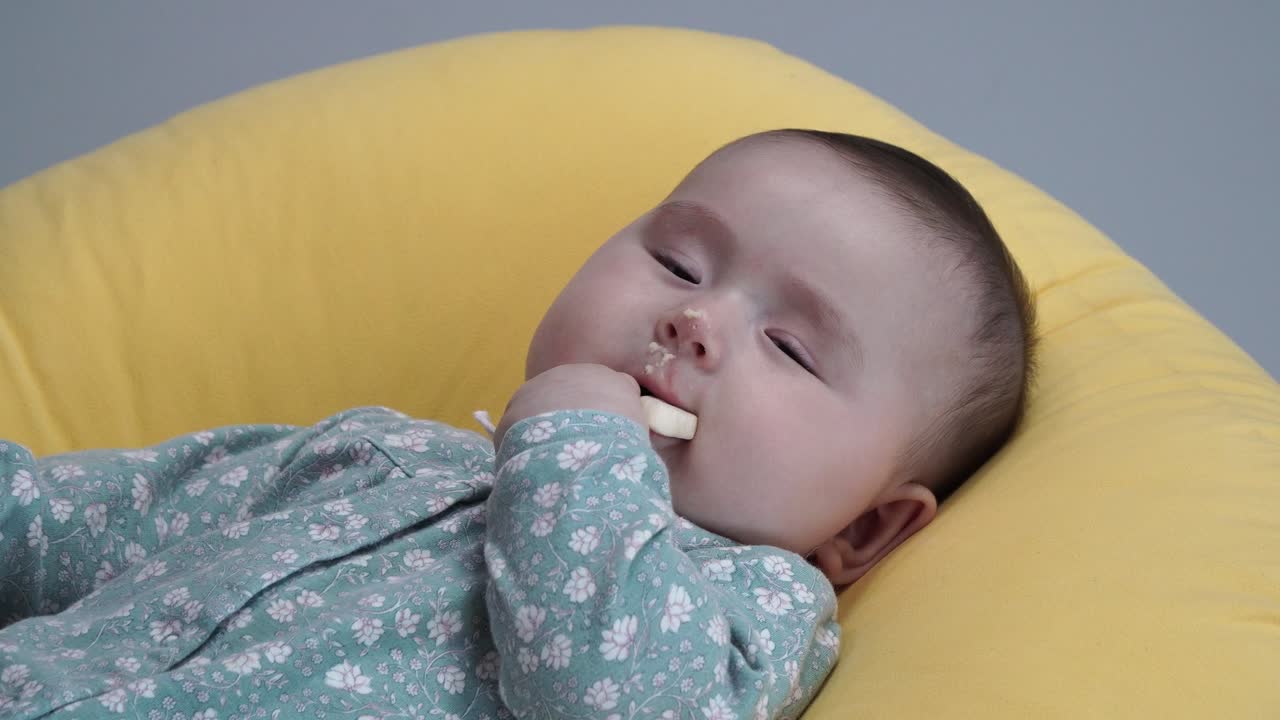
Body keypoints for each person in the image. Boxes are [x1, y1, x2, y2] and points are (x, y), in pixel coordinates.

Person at [0, 129, 1036, 719]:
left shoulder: (750, 606)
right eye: (677, 263)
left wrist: (576, 452)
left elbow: (605, 698)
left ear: (865, 528)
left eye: (792, 348)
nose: (695, 320)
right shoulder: (382, 451)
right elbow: (61, 527)